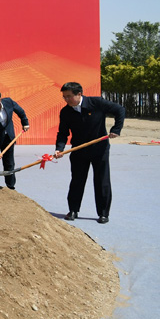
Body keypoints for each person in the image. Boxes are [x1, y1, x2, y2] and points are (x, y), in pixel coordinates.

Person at [54, 82, 124, 224]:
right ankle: (73, 210)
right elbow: (63, 132)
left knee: (102, 181)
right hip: (79, 149)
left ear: (79, 94)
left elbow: (119, 110)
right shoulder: (66, 112)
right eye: (64, 97)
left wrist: (116, 129)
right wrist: (59, 148)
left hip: (100, 149)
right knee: (77, 180)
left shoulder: (96, 103)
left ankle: (103, 213)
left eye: (69, 96)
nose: (66, 99)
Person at [0, 90, 30, 189]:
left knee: (9, 164)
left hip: (8, 138)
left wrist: (25, 123)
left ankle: (10, 187)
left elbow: (20, 111)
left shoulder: (8, 102)